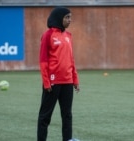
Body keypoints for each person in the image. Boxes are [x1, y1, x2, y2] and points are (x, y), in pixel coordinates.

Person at [37, 6, 80, 141]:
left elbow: (71, 60)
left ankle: (67, 139)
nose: (70, 20)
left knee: (67, 115)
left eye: (70, 17)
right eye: (67, 17)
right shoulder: (48, 35)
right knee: (45, 116)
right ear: (58, 18)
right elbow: (43, 60)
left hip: (67, 82)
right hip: (53, 83)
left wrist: (75, 80)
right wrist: (46, 81)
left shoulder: (68, 36)